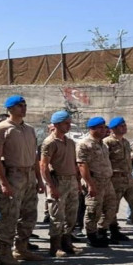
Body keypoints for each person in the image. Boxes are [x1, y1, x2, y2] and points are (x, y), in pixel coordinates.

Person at [0, 95, 46, 265]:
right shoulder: (1, 129)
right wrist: (3, 182)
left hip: (29, 174)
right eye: (19, 106)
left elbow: (35, 156)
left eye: (24, 105)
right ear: (9, 109)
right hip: (12, 174)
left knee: (29, 214)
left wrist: (39, 180)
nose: (23, 108)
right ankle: (4, 252)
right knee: (10, 216)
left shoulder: (29, 129)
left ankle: (22, 248)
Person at [40, 110, 83, 257]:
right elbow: (44, 166)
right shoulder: (49, 142)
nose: (69, 126)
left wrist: (77, 181)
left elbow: (74, 164)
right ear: (57, 124)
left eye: (69, 123)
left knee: (71, 215)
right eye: (66, 123)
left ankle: (67, 242)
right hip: (58, 181)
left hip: (71, 180)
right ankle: (55, 246)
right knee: (57, 216)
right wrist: (51, 186)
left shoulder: (70, 142)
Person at [76, 117, 116, 248]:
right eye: (100, 127)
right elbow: (82, 165)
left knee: (110, 208)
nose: (104, 130)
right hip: (94, 181)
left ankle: (102, 231)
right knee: (93, 210)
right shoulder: (84, 144)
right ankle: (91, 235)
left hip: (107, 181)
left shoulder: (103, 144)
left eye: (104, 127)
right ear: (92, 128)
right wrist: (90, 184)